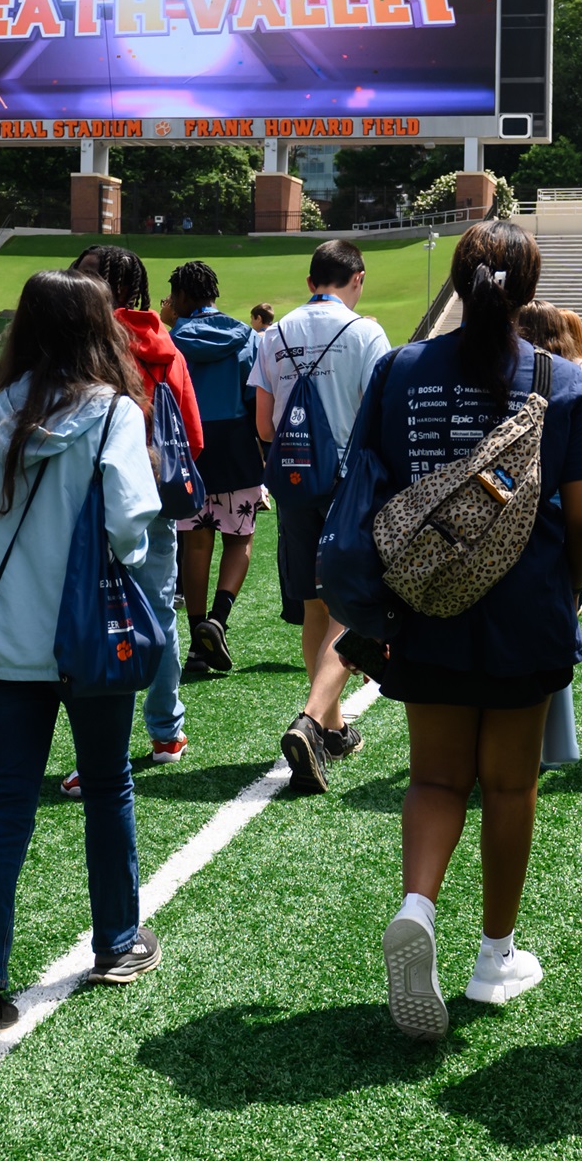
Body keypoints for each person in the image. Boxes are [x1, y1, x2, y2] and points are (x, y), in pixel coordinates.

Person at [353, 222, 582, 1036]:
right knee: (508, 784)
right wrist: (565, 591)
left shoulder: (397, 370)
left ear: (461, 284)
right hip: (524, 610)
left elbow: (367, 484)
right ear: (528, 288)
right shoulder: (562, 379)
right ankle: (494, 955)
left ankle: (418, 907)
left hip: (422, 603)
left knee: (433, 779)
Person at [0, 269, 166, 1037]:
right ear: (100, 331)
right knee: (108, 786)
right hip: (92, 639)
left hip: (7, 645)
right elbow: (133, 525)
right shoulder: (113, 416)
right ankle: (117, 942)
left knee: (5, 802)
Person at [252, 239, 393, 789]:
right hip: (348, 482)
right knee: (350, 607)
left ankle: (332, 727)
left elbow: (264, 426)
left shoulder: (274, 332)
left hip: (291, 480)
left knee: (313, 605)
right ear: (356, 278)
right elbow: (376, 417)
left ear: (312, 280)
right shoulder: (366, 333)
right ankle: (313, 721)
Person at [60, 244, 201, 791]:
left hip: (89, 498)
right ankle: (166, 731)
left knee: (91, 618)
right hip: (155, 495)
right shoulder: (165, 343)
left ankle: (96, 754)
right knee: (158, 612)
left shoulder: (81, 343)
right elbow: (193, 434)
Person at [165, 258, 263, 676]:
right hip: (238, 444)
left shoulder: (171, 340)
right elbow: (256, 395)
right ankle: (217, 621)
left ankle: (196, 646)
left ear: (183, 296)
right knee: (239, 540)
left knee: (195, 542)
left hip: (191, 450)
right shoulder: (247, 337)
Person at [520, 302, 582, 771]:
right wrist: (579, 577)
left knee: (439, 777)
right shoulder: (573, 377)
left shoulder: (503, 370)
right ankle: (553, 745)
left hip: (491, 527)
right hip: (554, 530)